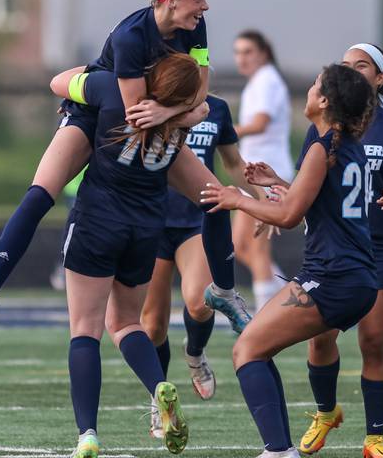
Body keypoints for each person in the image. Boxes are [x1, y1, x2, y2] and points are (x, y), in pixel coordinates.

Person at [0, 0, 250, 333]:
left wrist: (177, 110)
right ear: (171, 0)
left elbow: (199, 97)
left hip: (146, 124)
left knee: (214, 199)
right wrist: (181, 109)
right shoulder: (134, 36)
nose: (206, 7)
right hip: (98, 113)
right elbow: (133, 113)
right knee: (40, 195)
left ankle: (225, 292)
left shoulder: (195, 29)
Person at [201, 64, 378, 458]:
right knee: (256, 349)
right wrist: (279, 182)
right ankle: (280, 450)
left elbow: (289, 217)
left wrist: (237, 200)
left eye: (316, 85)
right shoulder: (341, 143)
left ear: (325, 101)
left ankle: (279, 452)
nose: (310, 89)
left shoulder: (321, 146)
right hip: (353, 276)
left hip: (335, 276)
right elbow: (321, 202)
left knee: (246, 350)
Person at [63, 52, 203, 458]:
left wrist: (90, 82)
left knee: (85, 330)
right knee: (125, 323)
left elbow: (59, 81)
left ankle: (87, 434)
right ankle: (157, 384)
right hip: (145, 228)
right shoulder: (179, 122)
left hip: (98, 220)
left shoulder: (116, 96)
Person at [299, 44, 383, 458]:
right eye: (347, 66)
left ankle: (375, 438)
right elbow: (309, 181)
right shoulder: (327, 121)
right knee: (321, 339)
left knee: (374, 341)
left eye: (363, 66)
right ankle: (325, 412)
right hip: (332, 250)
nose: (352, 71)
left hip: (380, 247)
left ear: (380, 78)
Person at [140, 93, 266, 436]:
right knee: (151, 326)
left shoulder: (216, 107)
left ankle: (195, 354)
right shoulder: (146, 101)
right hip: (150, 221)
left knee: (199, 302)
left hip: (196, 221)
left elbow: (232, 162)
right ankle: (159, 401)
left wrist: (262, 200)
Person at [233, 30, 292, 311]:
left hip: (269, 174)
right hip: (253, 175)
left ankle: (265, 312)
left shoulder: (267, 80)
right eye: (238, 53)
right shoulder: (258, 82)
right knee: (240, 246)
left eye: (248, 52)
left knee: (256, 247)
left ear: (263, 53)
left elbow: (260, 123)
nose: (241, 59)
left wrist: (226, 132)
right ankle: (284, 296)